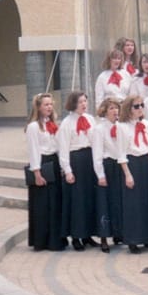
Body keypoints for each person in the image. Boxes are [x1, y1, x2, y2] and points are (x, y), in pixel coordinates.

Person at [56, 91, 100, 251]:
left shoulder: (90, 119)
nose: (84, 104)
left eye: (85, 101)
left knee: (89, 199)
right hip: (76, 161)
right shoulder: (67, 123)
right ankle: (76, 237)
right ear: (73, 103)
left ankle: (87, 235)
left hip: (89, 160)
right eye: (80, 101)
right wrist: (67, 170)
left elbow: (95, 141)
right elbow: (63, 149)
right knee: (76, 201)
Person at [117, 94, 148, 253]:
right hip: (131, 163)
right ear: (129, 108)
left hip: (145, 163)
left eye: (142, 105)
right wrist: (127, 174)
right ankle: (133, 240)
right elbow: (121, 152)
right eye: (136, 106)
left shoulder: (146, 124)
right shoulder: (122, 126)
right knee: (133, 204)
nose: (140, 108)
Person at [25, 93, 65, 251]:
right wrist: (36, 172)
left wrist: (61, 166)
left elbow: (58, 147)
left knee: (54, 203)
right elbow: (33, 149)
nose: (49, 107)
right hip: (41, 164)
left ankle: (55, 240)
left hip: (53, 162)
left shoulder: (53, 124)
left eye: (50, 104)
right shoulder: (33, 127)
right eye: (45, 105)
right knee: (42, 205)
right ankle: (41, 240)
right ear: (38, 107)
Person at [96, 97, 124, 245]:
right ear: (105, 111)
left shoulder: (121, 126)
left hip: (119, 165)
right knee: (105, 202)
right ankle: (104, 237)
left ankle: (118, 233)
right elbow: (97, 153)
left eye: (116, 108)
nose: (115, 111)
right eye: (111, 108)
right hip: (107, 165)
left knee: (118, 201)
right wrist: (100, 174)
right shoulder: (100, 129)